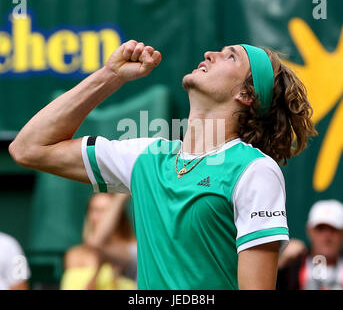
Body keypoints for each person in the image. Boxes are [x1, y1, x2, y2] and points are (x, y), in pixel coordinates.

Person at [9, 40, 317, 289]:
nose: (209, 53)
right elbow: (28, 148)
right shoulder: (146, 156)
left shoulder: (254, 170)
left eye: (230, 57)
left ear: (247, 94)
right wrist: (111, 75)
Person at [60, 192, 137, 290]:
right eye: (95, 210)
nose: (101, 216)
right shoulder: (74, 255)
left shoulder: (131, 250)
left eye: (106, 211)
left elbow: (97, 243)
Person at [277, 200, 343, 290]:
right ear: (309, 231)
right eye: (321, 229)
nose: (327, 236)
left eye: (333, 230)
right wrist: (281, 265)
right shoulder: (292, 268)